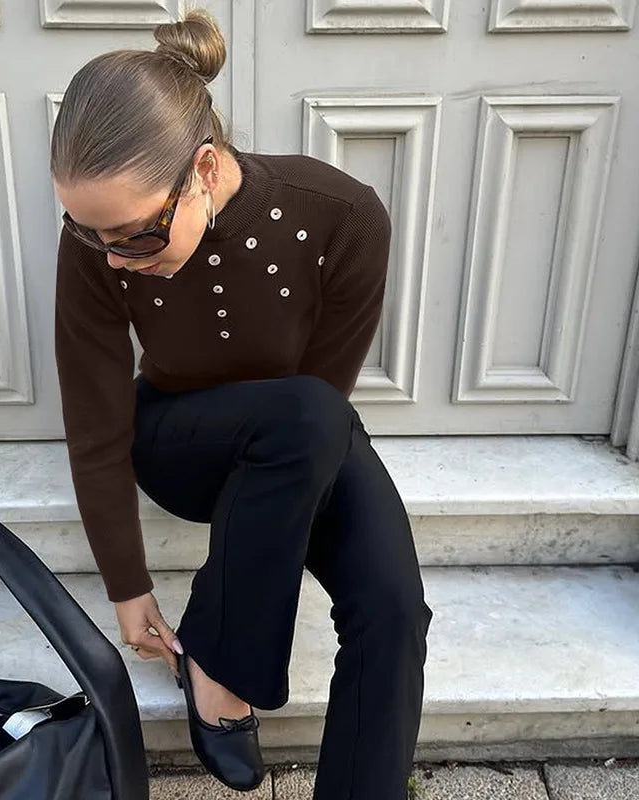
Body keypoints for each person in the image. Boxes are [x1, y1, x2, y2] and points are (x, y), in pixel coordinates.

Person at [50, 5, 433, 797]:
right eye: (92, 236)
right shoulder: (99, 242)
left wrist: (279, 514)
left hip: (300, 433)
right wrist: (126, 584)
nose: (115, 261)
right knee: (308, 419)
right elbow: (94, 418)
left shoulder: (342, 215)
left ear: (204, 165)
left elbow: (322, 392)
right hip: (177, 441)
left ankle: (234, 670)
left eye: (134, 236)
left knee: (394, 608)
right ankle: (219, 673)